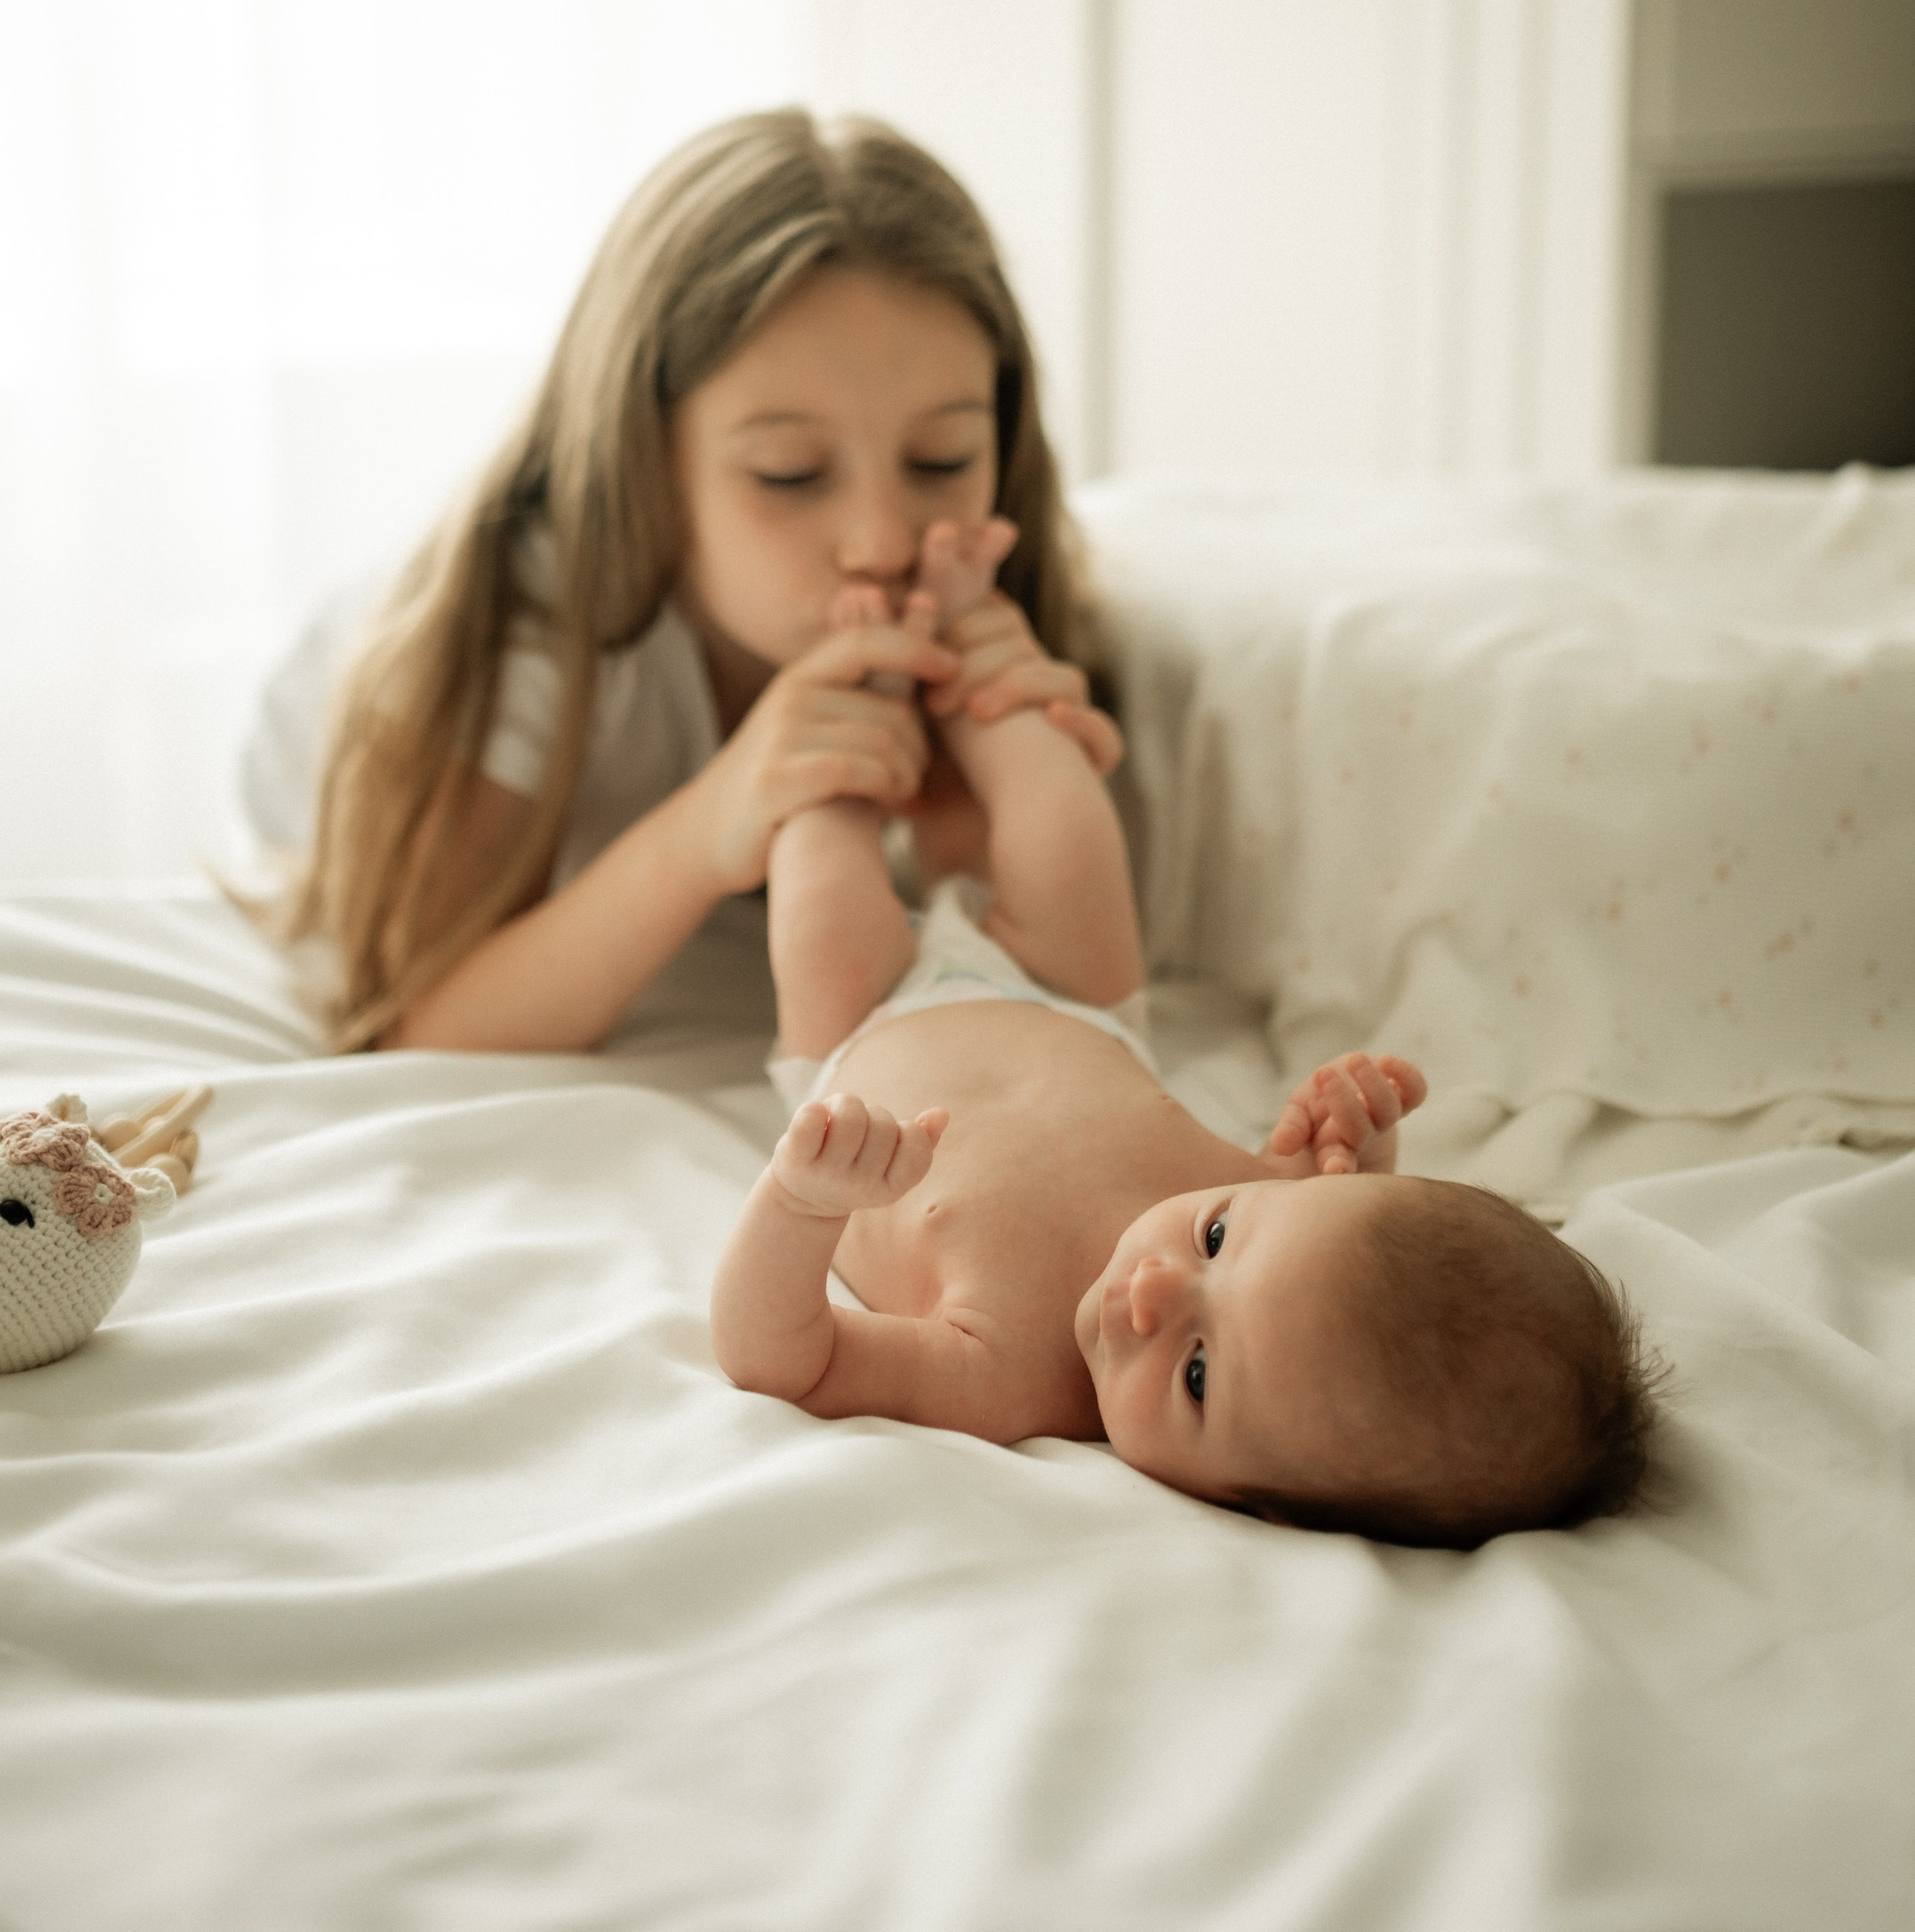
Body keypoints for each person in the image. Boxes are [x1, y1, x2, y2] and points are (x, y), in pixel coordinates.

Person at [713, 523, 1663, 1549]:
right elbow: (1319, 1211)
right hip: (1073, 1001)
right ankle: (968, 638)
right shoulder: (1283, 1215)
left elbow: (782, 1359)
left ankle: (845, 695)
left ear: (1253, 1505)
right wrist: (1344, 1148)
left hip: (863, 1030)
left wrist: (804, 1204)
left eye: (1200, 1374)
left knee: (818, 864)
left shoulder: (1002, 1376)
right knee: (1066, 821)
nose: (1156, 1288)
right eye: (1216, 1236)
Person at [279, 110, 1122, 1053]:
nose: (883, 542)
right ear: (646, 461)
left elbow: (1021, 1008)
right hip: (363, 717)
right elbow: (413, 1022)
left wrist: (979, 811)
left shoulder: (987, 590)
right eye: (789, 474)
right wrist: (708, 827)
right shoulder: (527, 628)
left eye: (940, 457)